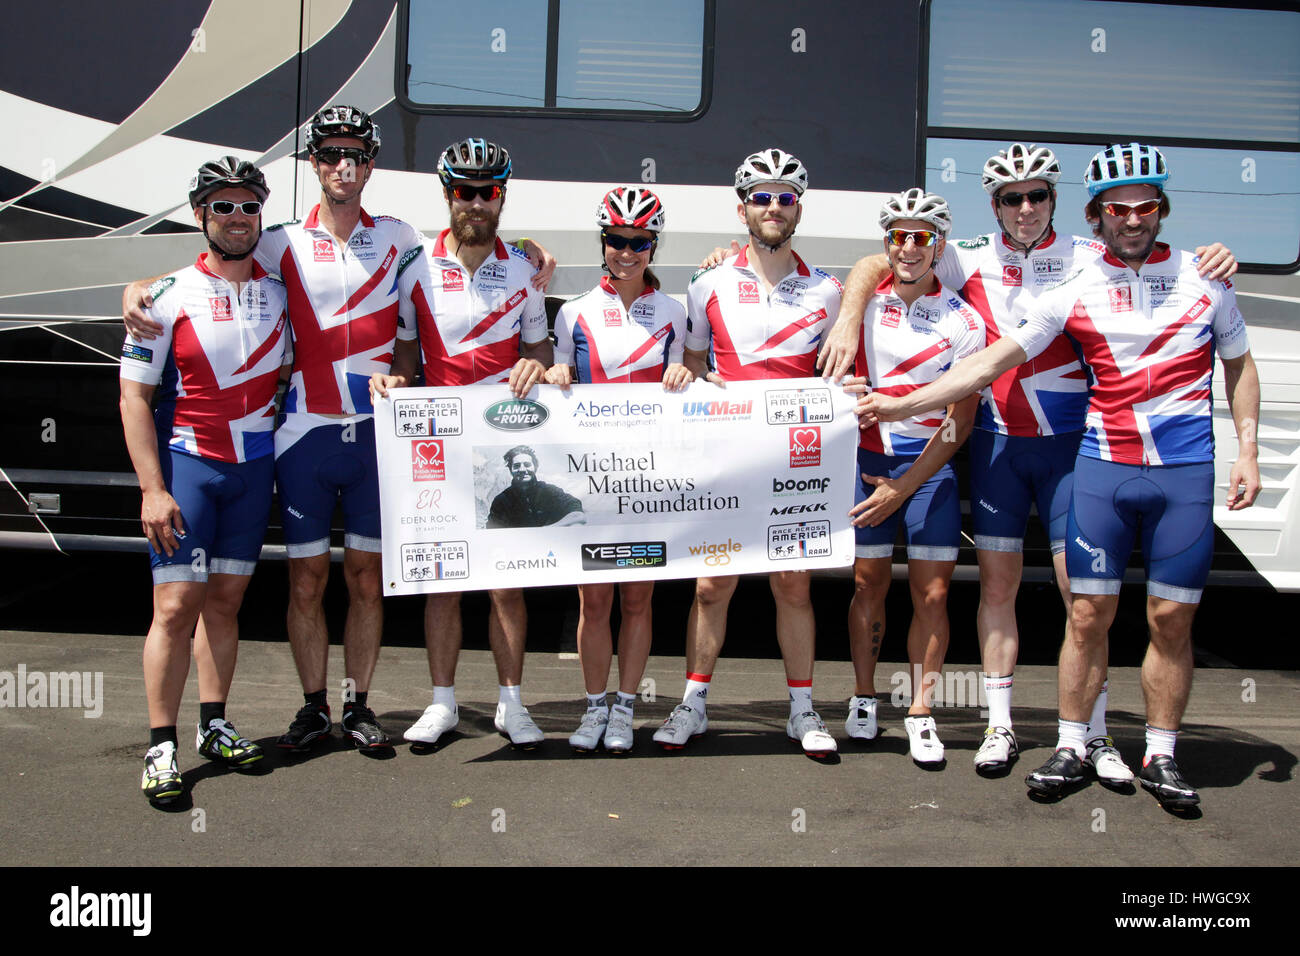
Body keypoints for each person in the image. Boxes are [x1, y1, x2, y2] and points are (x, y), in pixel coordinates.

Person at [123, 112, 556, 754]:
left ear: (371, 163)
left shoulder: (401, 238)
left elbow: (472, 247)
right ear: (315, 163)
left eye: (355, 154)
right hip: (303, 435)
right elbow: (214, 260)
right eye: (329, 154)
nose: (342, 165)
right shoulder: (278, 242)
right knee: (305, 581)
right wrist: (138, 289)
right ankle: (311, 707)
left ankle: (357, 703)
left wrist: (530, 251)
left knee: (364, 576)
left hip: (378, 436)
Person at [858, 143, 1260, 808]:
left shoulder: (1085, 255)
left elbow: (1173, 282)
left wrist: (1214, 257)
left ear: (1058, 201)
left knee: (1087, 598)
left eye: (1036, 194)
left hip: (1075, 445)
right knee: (999, 586)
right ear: (993, 206)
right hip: (996, 443)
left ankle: (1095, 734)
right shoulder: (971, 256)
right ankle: (1001, 724)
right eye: (1010, 198)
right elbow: (888, 258)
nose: (1024, 208)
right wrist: (849, 322)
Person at [655, 148, 841, 758]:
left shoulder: (828, 291)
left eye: (784, 197)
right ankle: (692, 703)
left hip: (795, 460)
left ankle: (802, 710)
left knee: (793, 585)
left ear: (798, 209)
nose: (772, 207)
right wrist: (688, 379)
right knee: (712, 586)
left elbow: (838, 373)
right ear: (742, 208)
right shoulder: (707, 282)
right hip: (728, 454)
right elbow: (693, 361)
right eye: (760, 197)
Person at [370, 138, 554, 750]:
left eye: (488, 192)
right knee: (443, 579)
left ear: (502, 196)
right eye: (464, 192)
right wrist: (396, 381)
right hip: (440, 448)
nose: (475, 203)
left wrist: (540, 366)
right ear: (447, 195)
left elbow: (540, 350)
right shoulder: (414, 267)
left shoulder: (526, 271)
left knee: (507, 581)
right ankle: (443, 703)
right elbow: (404, 354)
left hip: (503, 442)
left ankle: (510, 703)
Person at [120, 157, 287, 804]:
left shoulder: (279, 292)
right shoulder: (164, 296)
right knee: (174, 607)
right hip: (188, 466)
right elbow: (133, 398)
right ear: (200, 216)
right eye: (224, 207)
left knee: (224, 604)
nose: (238, 218)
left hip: (252, 471)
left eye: (248, 207)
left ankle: (213, 723)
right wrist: (151, 489)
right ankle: (160, 745)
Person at [543, 186, 692, 753]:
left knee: (637, 600)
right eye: (615, 240)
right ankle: (593, 707)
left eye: (638, 241)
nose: (625, 252)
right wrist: (557, 377)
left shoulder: (674, 312)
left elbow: (692, 378)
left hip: (649, 478)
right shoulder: (576, 311)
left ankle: (627, 709)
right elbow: (559, 371)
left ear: (653, 245)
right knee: (594, 601)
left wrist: (682, 376)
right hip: (591, 479)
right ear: (602, 242)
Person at [848, 189, 984, 765]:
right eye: (899, 236)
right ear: (887, 245)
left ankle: (921, 711)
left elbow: (962, 420)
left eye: (922, 237)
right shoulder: (858, 307)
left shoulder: (964, 319)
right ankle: (862, 698)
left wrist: (908, 483)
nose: (909, 247)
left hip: (929, 470)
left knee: (932, 592)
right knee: (866, 586)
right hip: (866, 462)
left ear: (940, 246)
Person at [485, 445, 585, 529]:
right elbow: (492, 531)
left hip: (553, 543)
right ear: (511, 470)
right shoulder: (501, 501)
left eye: (527, 464)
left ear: (535, 467)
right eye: (516, 466)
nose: (522, 469)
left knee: (577, 526)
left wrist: (547, 530)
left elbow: (578, 516)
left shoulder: (551, 491)